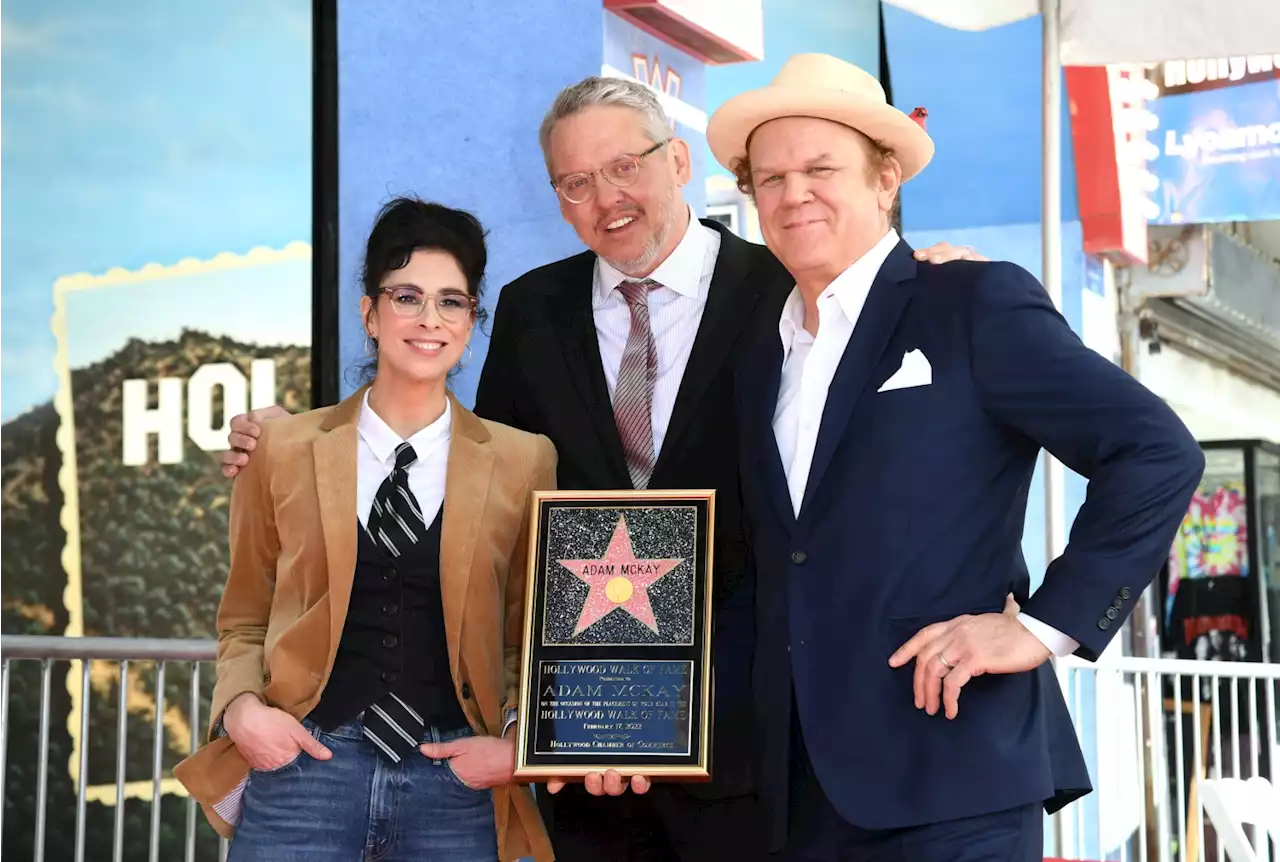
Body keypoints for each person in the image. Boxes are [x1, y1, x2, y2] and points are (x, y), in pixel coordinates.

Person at [219, 77, 984, 862]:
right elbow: (486, 488)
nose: (605, 199)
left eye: (625, 167)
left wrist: (931, 279)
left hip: (745, 743)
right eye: (575, 183)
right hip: (578, 749)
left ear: (678, 161)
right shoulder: (531, 309)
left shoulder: (786, 291)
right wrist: (298, 436)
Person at [701, 53, 1205, 860]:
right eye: (770, 177)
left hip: (952, 774)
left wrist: (1044, 629)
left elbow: (1155, 452)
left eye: (820, 168)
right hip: (795, 792)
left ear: (885, 179)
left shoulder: (970, 301)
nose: (793, 194)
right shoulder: (761, 349)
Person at [175, 197, 557, 862]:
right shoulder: (284, 448)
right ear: (370, 312)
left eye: (452, 301)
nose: (429, 319)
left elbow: (533, 632)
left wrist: (516, 747)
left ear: (473, 321)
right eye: (407, 296)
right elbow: (243, 616)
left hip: (455, 787)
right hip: (303, 774)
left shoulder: (525, 461)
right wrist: (241, 712)